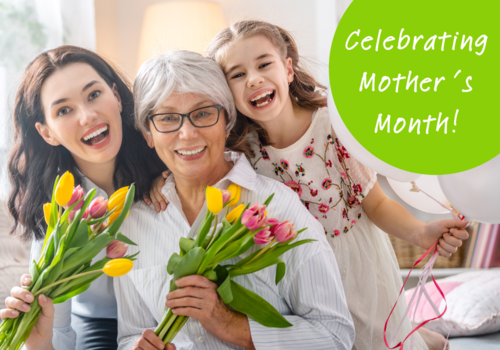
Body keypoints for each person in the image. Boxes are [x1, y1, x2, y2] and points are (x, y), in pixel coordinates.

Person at [148, 21, 470, 350]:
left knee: (377, 340)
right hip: (295, 273)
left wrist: (420, 232)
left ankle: (422, 340)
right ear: (225, 94)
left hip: (353, 265)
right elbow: (192, 168)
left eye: (263, 64)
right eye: (237, 74)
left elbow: (376, 204)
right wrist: (160, 183)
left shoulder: (332, 127)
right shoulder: (243, 149)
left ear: (288, 69)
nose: (254, 79)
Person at [114, 50, 355, 350]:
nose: (187, 134)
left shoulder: (275, 206)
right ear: (148, 134)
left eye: (203, 113)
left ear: (226, 120)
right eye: (167, 118)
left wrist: (229, 324)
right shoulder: (134, 224)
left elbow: (335, 335)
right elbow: (129, 335)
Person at [0, 46, 166, 350]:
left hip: (166, 313)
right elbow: (56, 334)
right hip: (100, 324)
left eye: (93, 95)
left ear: (116, 96)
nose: (87, 116)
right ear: (46, 132)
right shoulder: (57, 211)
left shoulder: (165, 165)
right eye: (64, 110)